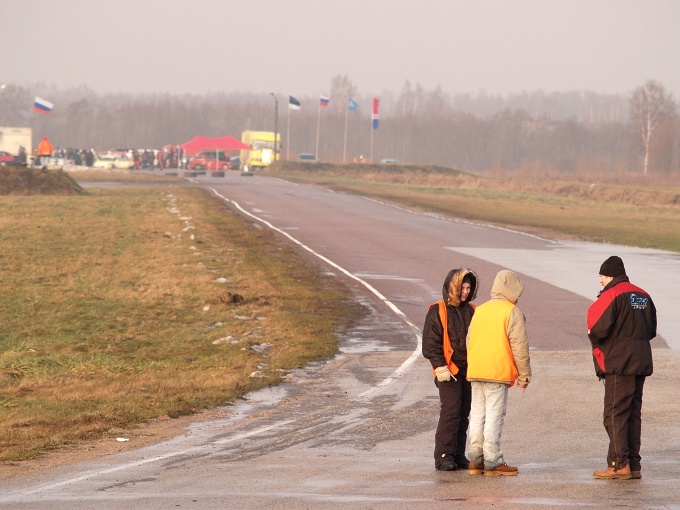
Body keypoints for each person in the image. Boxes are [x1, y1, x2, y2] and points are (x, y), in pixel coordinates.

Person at [587, 256, 656, 480]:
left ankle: (618, 464)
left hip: (619, 363)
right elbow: (651, 330)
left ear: (609, 276)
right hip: (641, 360)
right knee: (633, 414)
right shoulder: (643, 295)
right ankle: (633, 465)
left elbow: (596, 329)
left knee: (614, 414)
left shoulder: (611, 295)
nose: (600, 281)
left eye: (601, 276)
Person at [466, 270, 531, 476]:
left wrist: (474, 362)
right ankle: (493, 460)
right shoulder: (512, 312)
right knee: (494, 415)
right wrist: (524, 375)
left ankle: (475, 459)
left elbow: (469, 340)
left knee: (477, 414)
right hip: (497, 371)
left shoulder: (480, 310)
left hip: (476, 369)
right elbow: (519, 347)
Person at [422, 268, 479, 471]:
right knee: (451, 412)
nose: (465, 291)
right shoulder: (437, 310)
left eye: (468, 288)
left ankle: (458, 454)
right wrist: (440, 367)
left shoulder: (473, 310)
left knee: (464, 412)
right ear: (453, 287)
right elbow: (430, 343)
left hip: (468, 371)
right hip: (448, 371)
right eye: (462, 288)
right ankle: (444, 455)